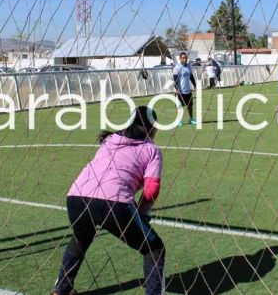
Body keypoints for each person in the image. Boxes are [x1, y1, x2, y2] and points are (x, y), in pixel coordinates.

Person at [53, 106, 165, 295]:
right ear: (151, 128)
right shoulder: (151, 149)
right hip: (113, 203)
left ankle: (61, 289)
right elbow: (152, 188)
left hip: (76, 197)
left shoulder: (109, 140)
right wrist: (143, 212)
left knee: (81, 237)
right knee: (154, 248)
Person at [173, 52, 197, 126]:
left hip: (188, 90)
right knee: (179, 106)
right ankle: (178, 121)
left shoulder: (189, 66)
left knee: (190, 105)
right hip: (180, 91)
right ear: (180, 59)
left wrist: (195, 85)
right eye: (183, 58)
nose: (185, 59)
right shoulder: (177, 67)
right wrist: (177, 89)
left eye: (186, 57)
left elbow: (191, 76)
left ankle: (191, 119)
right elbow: (175, 79)